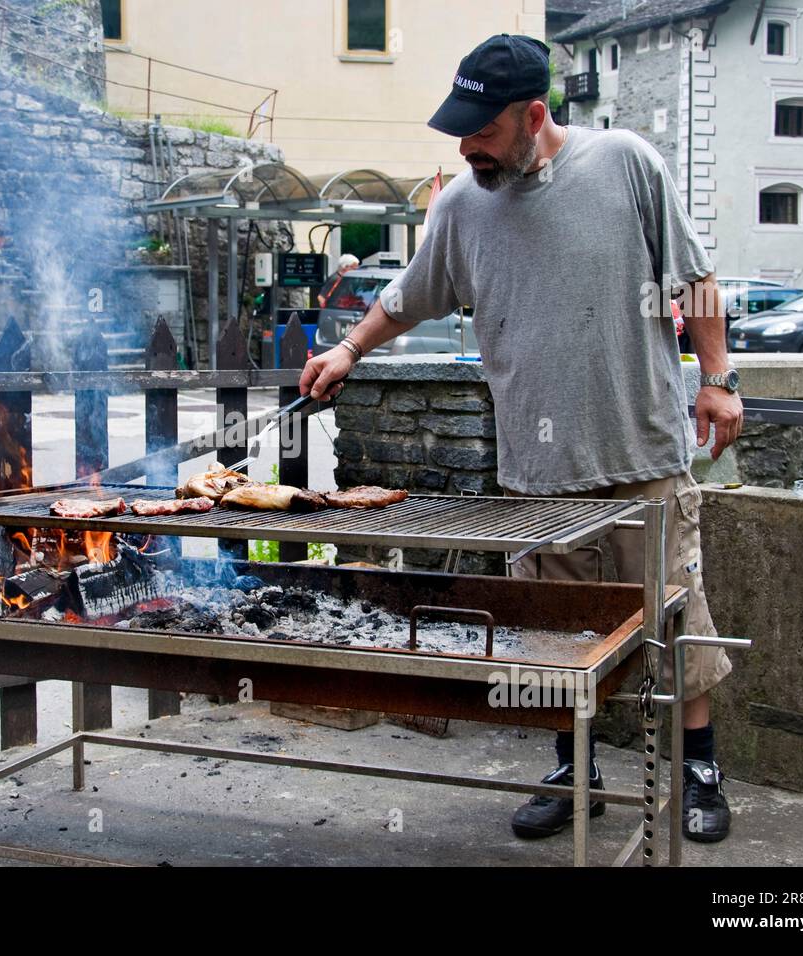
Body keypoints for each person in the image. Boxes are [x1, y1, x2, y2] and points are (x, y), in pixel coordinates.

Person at [298, 34, 744, 843]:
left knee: (678, 628)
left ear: (534, 115)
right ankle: (573, 771)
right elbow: (409, 296)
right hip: (538, 479)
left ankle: (702, 775)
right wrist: (349, 348)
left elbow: (696, 277)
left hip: (642, 458)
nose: (465, 146)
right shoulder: (463, 206)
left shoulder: (626, 164)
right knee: (551, 641)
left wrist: (715, 379)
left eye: (481, 130)